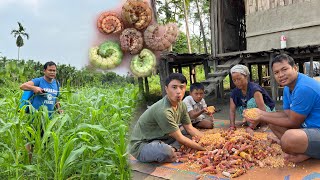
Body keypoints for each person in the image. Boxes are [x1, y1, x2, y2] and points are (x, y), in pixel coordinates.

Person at [244, 54, 320, 163]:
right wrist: (260, 114)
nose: (280, 75)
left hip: (317, 129)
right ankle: (302, 149)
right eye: (276, 72)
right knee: (272, 121)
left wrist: (261, 116)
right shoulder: (288, 87)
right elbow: (287, 114)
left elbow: (293, 122)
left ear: (295, 68)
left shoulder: (303, 88)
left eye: (284, 69)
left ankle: (307, 153)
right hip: (308, 128)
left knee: (289, 139)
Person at [129, 73, 206, 163]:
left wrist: (208, 139)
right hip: (143, 145)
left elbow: (190, 128)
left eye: (182, 87)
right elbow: (180, 138)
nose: (178, 91)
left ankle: (172, 149)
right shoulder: (163, 110)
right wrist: (204, 148)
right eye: (174, 87)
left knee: (187, 132)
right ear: (166, 89)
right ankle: (170, 150)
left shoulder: (182, 105)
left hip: (163, 138)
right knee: (165, 152)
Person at [20, 61, 62, 162]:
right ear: (44, 71)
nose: (52, 72)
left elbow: (55, 98)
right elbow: (22, 86)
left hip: (48, 119)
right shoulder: (38, 81)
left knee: (45, 142)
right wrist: (34, 88)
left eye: (54, 71)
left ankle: (40, 163)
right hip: (35, 116)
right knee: (30, 141)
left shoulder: (56, 83)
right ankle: (27, 163)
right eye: (50, 70)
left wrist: (59, 109)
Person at [229, 64, 275, 133]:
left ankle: (263, 124)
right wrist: (232, 126)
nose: (237, 82)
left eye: (239, 79)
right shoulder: (234, 92)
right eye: (234, 80)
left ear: (246, 77)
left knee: (251, 102)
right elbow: (232, 110)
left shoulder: (254, 89)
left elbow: (262, 110)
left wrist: (251, 127)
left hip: (267, 113)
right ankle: (255, 123)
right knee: (240, 108)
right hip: (255, 114)